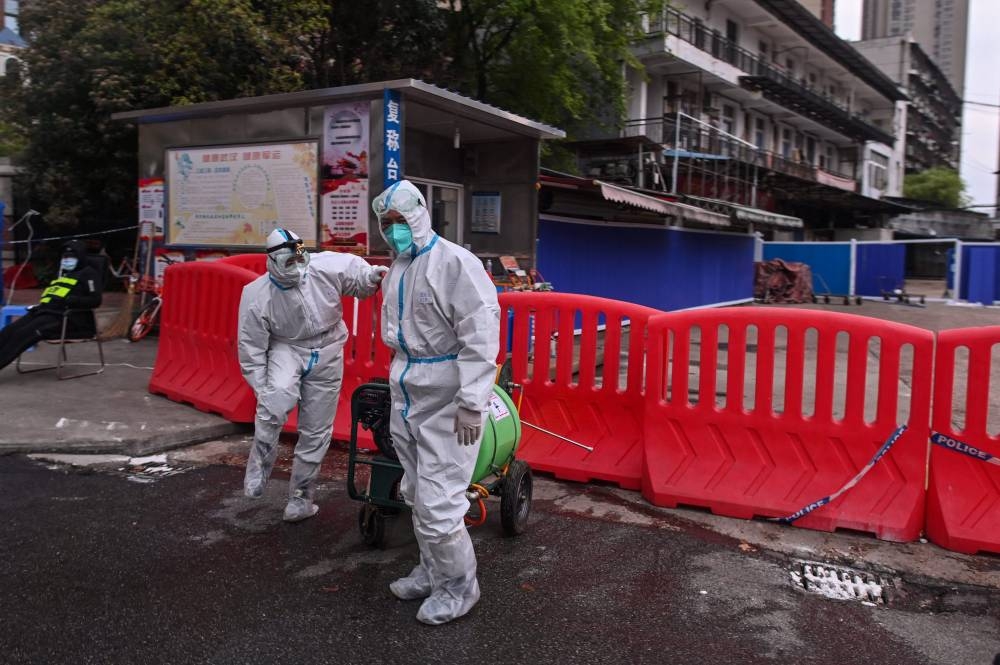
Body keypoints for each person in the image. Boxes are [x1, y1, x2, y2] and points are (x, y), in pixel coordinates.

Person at [372, 180, 500, 625]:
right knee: (415, 492)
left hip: (447, 395)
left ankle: (459, 588)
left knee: (440, 502)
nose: (394, 232)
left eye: (400, 222)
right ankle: (433, 571)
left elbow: (481, 335)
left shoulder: (455, 264)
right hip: (407, 389)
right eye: (386, 224)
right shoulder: (398, 268)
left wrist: (471, 400)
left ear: (420, 215)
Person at [237, 228, 388, 522]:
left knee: (317, 428)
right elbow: (251, 347)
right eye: (289, 262)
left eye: (300, 258)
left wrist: (371, 278)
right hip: (287, 347)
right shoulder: (257, 295)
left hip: (329, 346)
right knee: (274, 404)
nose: (297, 266)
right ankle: (258, 470)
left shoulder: (324, 266)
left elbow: (357, 278)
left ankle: (301, 497)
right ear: (272, 262)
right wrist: (261, 387)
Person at [0, 240, 102, 372]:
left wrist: (71, 300)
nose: (67, 260)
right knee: (9, 330)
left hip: (69, 318)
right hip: (46, 311)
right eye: (65, 257)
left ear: (80, 257)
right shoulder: (63, 274)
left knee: (23, 334)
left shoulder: (89, 274)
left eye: (71, 257)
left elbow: (95, 301)